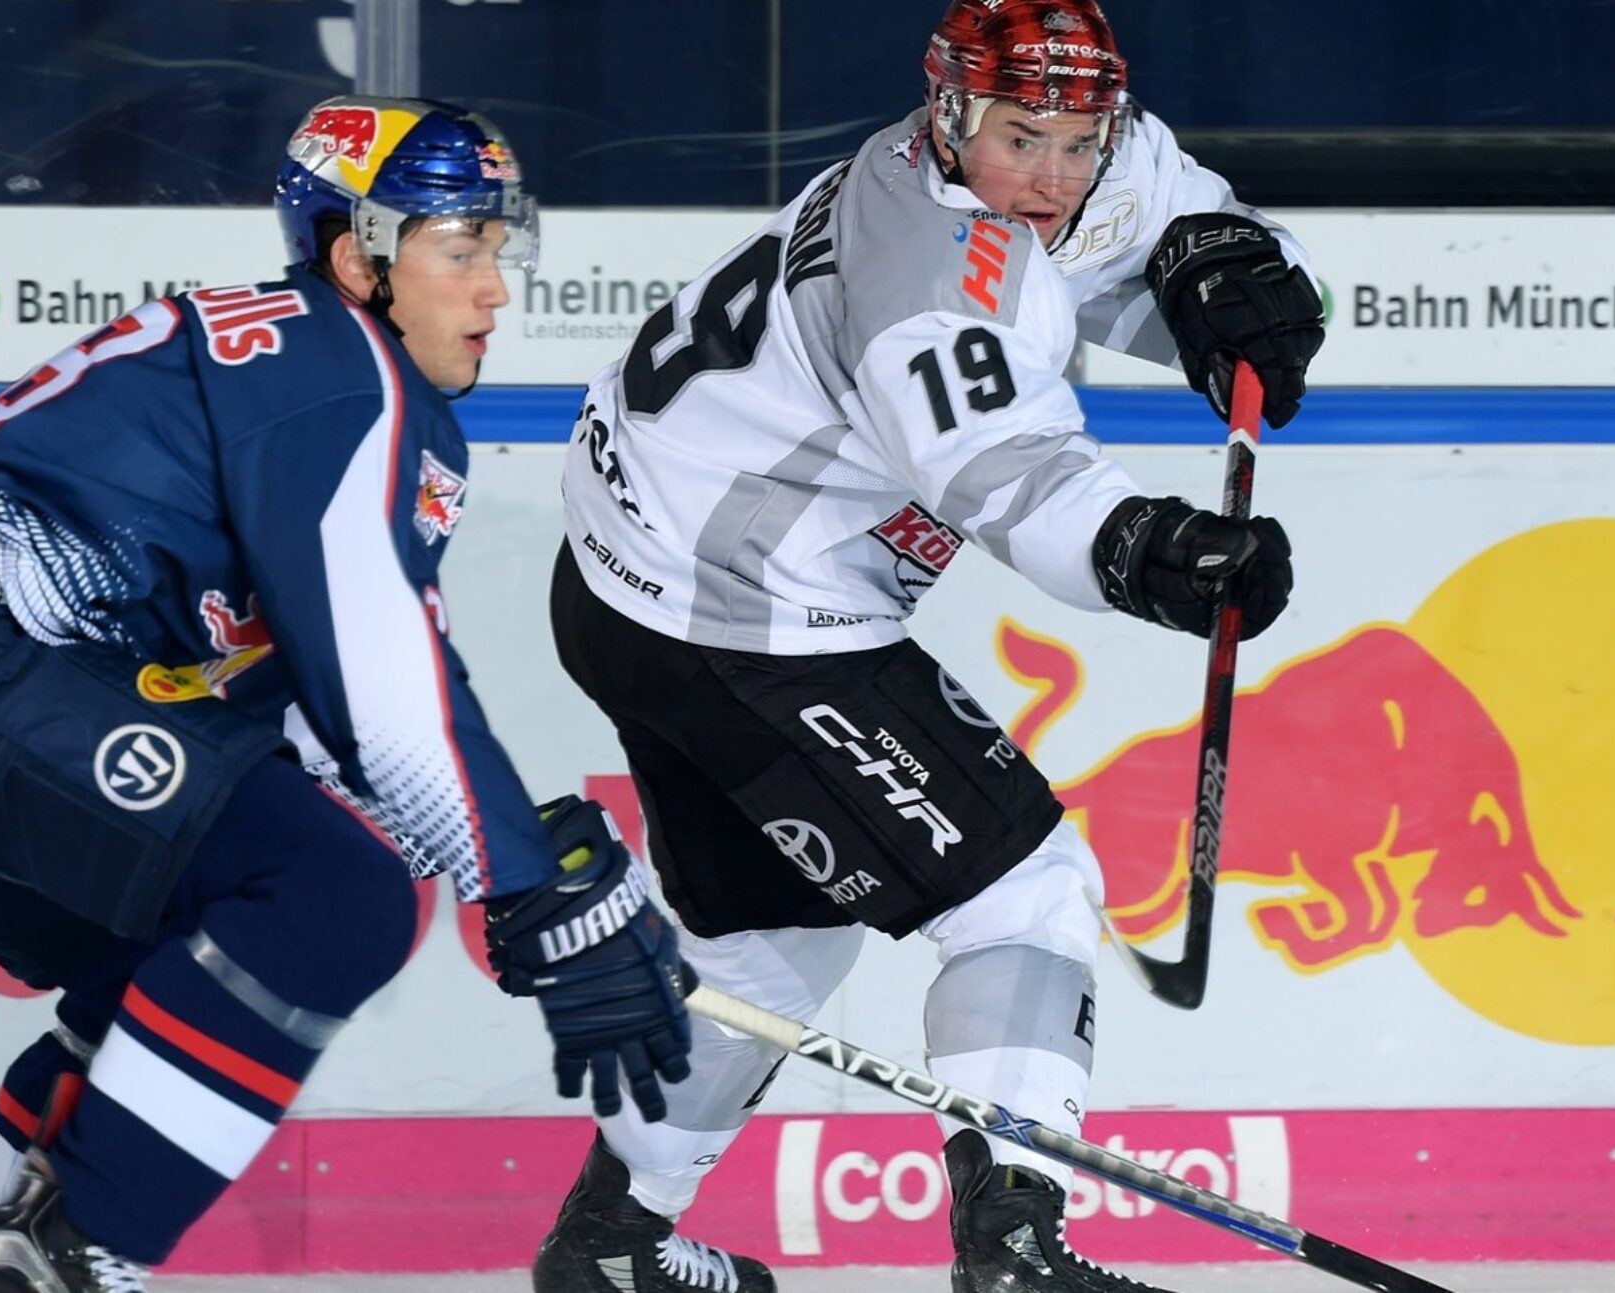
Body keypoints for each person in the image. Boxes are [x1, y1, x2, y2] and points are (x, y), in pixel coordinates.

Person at [0, 97, 698, 1293]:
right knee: (333, 898)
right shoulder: (341, 368)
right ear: (358, 257)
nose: (494, 289)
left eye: (497, 250)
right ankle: (67, 1265)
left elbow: (305, 714)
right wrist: (525, 885)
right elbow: (378, 674)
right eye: (460, 248)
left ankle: (2, 1256)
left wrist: (533, 857)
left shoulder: (304, 369)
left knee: (185, 944)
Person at [539, 2, 1325, 1291]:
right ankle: (1014, 1255)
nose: (1053, 178)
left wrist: (1231, 260)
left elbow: (1176, 208)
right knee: (1026, 894)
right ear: (950, 114)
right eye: (1023, 139)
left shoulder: (1048, 159)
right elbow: (1000, 470)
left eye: (1079, 140)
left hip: (633, 588)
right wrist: (1150, 546)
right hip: (743, 617)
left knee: (776, 940)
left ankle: (609, 1248)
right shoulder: (929, 270)